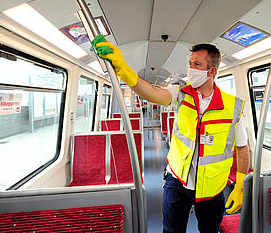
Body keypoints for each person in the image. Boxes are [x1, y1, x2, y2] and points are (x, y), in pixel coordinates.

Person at [92, 35, 250, 233]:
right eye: (190, 63)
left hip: (212, 188)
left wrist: (241, 185)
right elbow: (151, 92)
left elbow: (243, 149)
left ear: (212, 71)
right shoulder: (181, 94)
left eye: (197, 64)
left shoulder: (232, 106)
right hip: (177, 182)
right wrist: (124, 69)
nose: (190, 69)